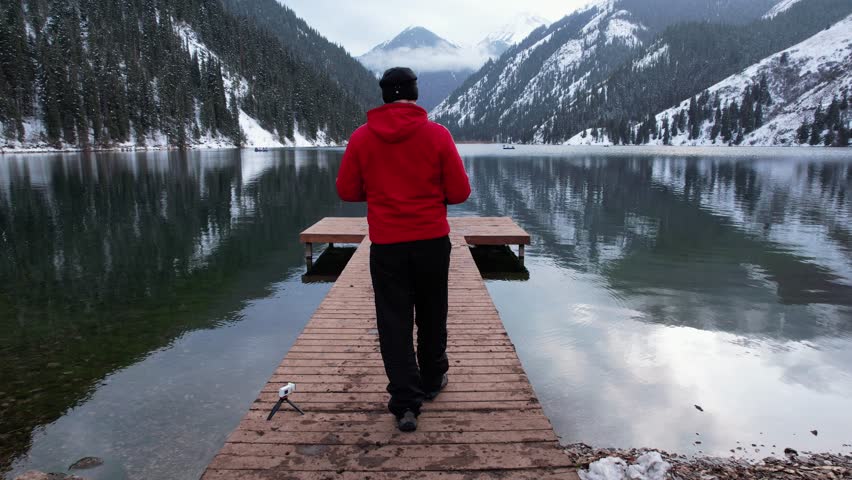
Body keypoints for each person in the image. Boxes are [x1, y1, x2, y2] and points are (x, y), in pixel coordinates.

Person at [336, 67, 471, 432]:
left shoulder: (362, 138)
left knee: (393, 321)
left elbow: (347, 191)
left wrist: (379, 192)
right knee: (432, 311)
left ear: (384, 97)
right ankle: (431, 380)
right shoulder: (438, 135)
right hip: (430, 242)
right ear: (414, 93)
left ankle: (406, 404)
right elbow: (459, 193)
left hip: (387, 245)